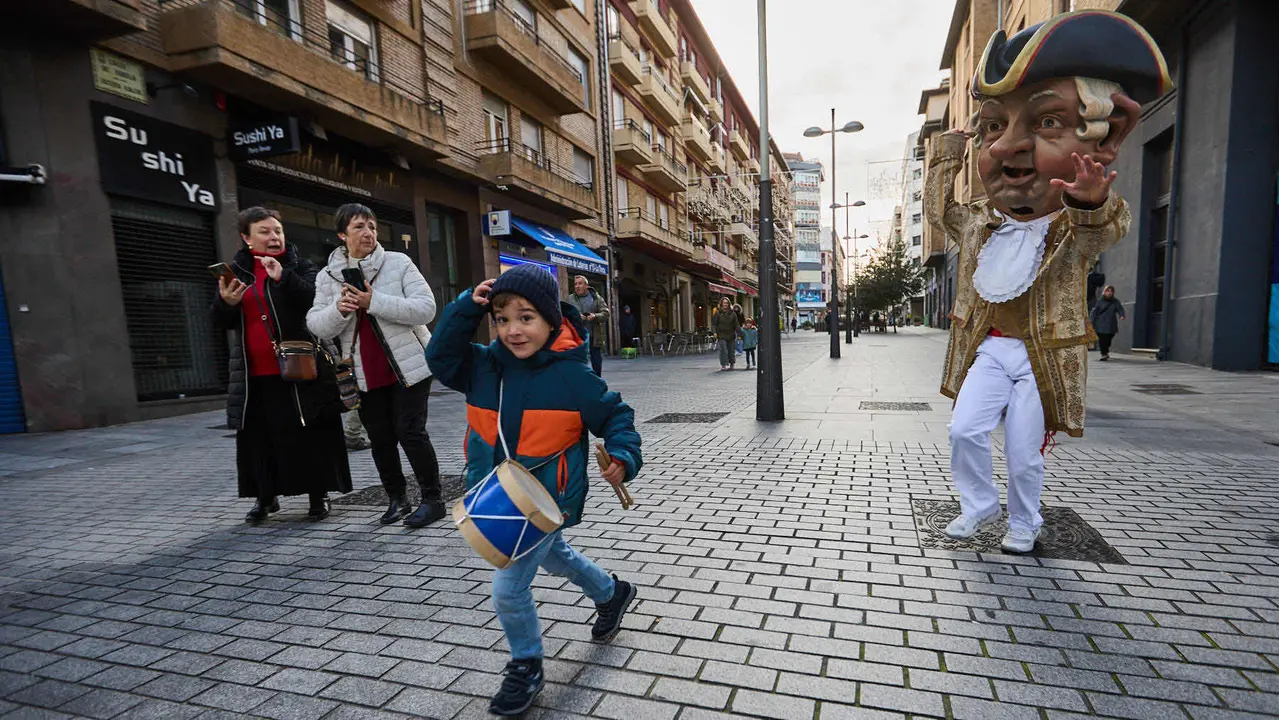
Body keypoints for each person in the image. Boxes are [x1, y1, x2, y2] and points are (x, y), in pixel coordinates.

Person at [926, 10, 1168, 553]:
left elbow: (1105, 228)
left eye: (1047, 123)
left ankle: (1024, 522)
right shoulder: (980, 223)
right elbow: (941, 213)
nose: (1005, 147)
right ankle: (979, 505)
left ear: (1105, 136)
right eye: (993, 128)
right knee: (964, 429)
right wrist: (948, 152)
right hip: (990, 349)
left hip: (1045, 353)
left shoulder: (1069, 227)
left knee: (1023, 450)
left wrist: (1090, 201)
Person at [425, 265, 643, 716]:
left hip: (545, 500)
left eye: (526, 318)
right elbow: (439, 359)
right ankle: (611, 593)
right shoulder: (482, 365)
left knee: (508, 588)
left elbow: (616, 416)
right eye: (502, 319)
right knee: (556, 557)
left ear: (549, 320)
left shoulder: (572, 375)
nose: (513, 330)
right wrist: (466, 308)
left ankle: (526, 665)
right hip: (495, 494)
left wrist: (623, 456)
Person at [307, 203, 444, 528]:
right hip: (362, 372)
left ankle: (433, 500)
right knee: (380, 439)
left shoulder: (398, 263)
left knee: (410, 432)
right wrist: (339, 309)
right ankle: (397, 499)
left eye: (371, 226)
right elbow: (316, 325)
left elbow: (426, 309)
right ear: (342, 234)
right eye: (359, 227)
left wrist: (374, 302)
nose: (368, 233)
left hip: (408, 366)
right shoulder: (327, 276)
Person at [212, 207, 352, 523]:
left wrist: (283, 277)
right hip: (254, 374)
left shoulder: (301, 266)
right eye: (264, 231)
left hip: (302, 368)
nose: (274, 236)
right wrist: (226, 303)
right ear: (247, 238)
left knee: (309, 432)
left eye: (277, 230)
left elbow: (316, 302)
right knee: (260, 438)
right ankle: (265, 497)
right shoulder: (235, 273)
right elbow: (219, 321)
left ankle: (318, 494)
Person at [566, 275, 609, 376]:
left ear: (586, 285)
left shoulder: (596, 298)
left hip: (594, 335)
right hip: (577, 336)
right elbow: (565, 315)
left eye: (580, 284)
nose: (577, 286)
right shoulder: (570, 299)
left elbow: (606, 313)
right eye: (575, 284)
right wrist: (576, 316)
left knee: (596, 362)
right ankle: (581, 381)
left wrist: (595, 316)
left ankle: (597, 380)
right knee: (579, 361)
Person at [1089, 285, 1126, 361]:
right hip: (1100, 324)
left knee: (1109, 339)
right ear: (1104, 292)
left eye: (1111, 291)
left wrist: (1122, 315)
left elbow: (1120, 309)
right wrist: (1091, 322)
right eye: (1107, 291)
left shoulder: (1115, 301)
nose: (1109, 292)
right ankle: (1104, 354)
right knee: (1102, 339)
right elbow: (1094, 312)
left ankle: (1105, 350)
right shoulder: (1099, 301)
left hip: (1111, 324)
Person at [712, 296, 740, 371]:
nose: (725, 304)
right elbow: (714, 324)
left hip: (731, 334)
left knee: (731, 350)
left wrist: (739, 334)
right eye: (724, 303)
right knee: (723, 349)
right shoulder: (718, 313)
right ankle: (723, 364)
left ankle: (732, 363)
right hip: (721, 334)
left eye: (727, 303)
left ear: (729, 304)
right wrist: (714, 332)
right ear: (721, 303)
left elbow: (736, 324)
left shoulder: (733, 313)